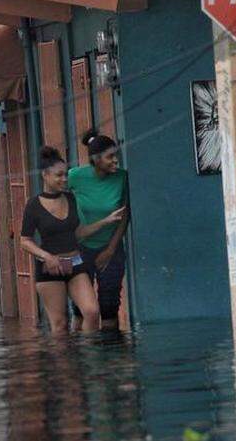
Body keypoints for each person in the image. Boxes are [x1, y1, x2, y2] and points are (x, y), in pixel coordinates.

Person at [20, 146, 125, 334]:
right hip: (50, 267)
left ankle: (88, 359)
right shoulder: (33, 205)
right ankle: (65, 363)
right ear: (45, 175)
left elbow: (78, 233)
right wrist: (47, 256)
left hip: (75, 263)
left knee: (92, 312)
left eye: (66, 175)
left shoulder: (71, 199)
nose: (65, 179)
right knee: (60, 325)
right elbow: (25, 240)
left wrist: (106, 221)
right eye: (59, 176)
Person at [69, 130, 130, 331]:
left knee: (110, 305)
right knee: (80, 308)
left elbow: (125, 215)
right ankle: (77, 354)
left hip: (111, 248)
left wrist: (111, 249)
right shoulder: (76, 176)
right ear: (96, 159)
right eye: (110, 157)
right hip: (80, 249)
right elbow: (55, 196)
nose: (115, 161)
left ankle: (111, 356)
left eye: (116, 155)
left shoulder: (122, 178)